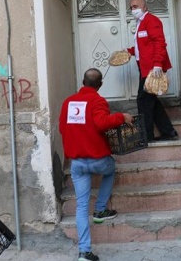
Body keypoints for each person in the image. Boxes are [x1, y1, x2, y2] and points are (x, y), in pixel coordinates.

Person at [59, 69, 133, 261]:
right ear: (100, 85)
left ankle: (84, 252)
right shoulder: (98, 101)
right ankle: (100, 209)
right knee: (111, 168)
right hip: (99, 161)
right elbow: (101, 123)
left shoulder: (68, 102)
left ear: (82, 82)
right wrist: (121, 117)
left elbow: (61, 127)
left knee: (81, 207)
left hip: (77, 163)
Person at [127, 0, 178, 142]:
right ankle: (169, 132)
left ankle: (146, 135)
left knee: (143, 101)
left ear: (144, 7)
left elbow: (160, 43)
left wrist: (157, 64)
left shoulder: (152, 21)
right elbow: (143, 45)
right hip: (145, 68)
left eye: (135, 6)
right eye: (131, 7)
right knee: (151, 101)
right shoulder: (141, 22)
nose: (133, 9)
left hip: (152, 70)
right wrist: (129, 51)